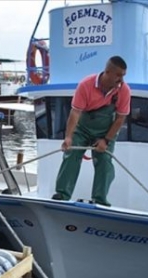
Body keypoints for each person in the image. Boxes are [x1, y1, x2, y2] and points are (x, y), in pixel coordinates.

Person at [51, 56, 131, 205]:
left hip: (106, 131)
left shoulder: (124, 91)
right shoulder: (85, 85)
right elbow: (75, 113)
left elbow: (120, 119)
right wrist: (68, 137)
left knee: (104, 161)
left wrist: (106, 140)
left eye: (123, 76)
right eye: (118, 75)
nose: (121, 80)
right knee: (71, 154)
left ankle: (99, 200)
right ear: (107, 72)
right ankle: (62, 195)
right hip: (83, 128)